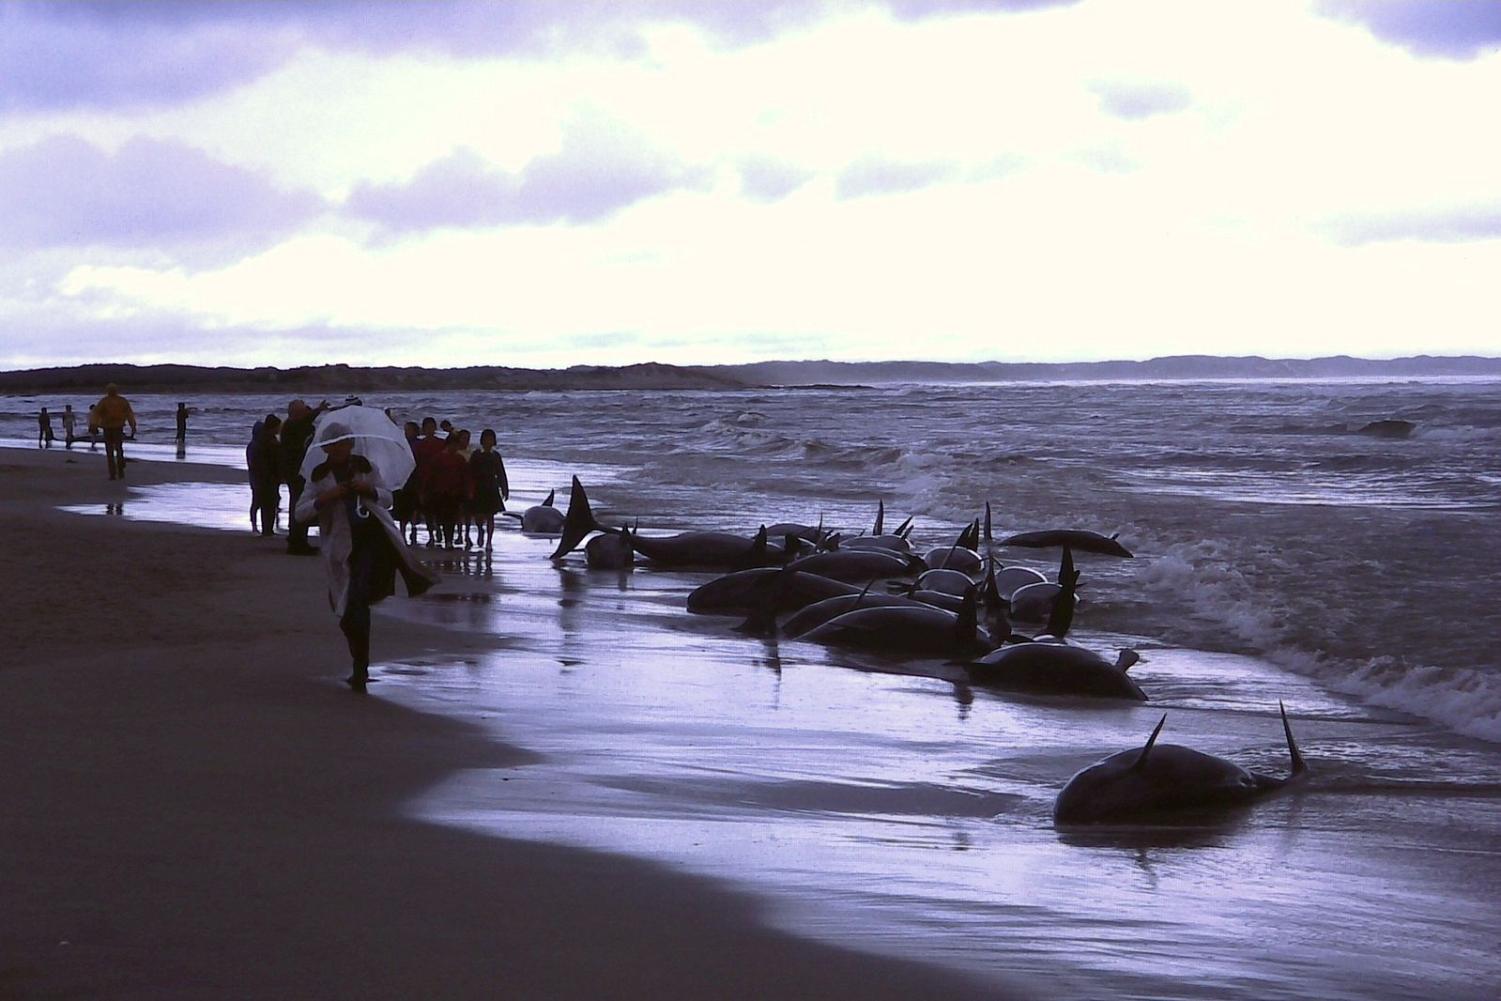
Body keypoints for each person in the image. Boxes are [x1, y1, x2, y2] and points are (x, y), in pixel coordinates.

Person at [295, 422, 436, 690]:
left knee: (358, 601)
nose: (339, 448)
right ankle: (357, 656)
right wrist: (327, 497)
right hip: (338, 547)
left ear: (351, 444)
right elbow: (300, 513)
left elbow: (387, 499)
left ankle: (361, 666)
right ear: (325, 448)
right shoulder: (319, 475)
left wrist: (367, 489)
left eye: (344, 443)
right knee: (344, 610)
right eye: (333, 445)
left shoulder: (365, 467)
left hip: (370, 542)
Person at [279, 399, 330, 555]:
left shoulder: (296, 424)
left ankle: (298, 539)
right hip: (295, 472)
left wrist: (319, 410)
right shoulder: (291, 426)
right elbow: (304, 423)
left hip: (299, 471)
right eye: (302, 411)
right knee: (299, 505)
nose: (306, 414)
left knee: (299, 503)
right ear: (295, 413)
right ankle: (297, 541)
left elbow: (306, 420)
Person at [424, 433, 472, 549]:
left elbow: (465, 476)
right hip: (439, 492)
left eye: (456, 445)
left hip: (454, 493)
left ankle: (448, 541)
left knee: (451, 518)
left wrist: (468, 491)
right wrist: (425, 490)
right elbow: (430, 476)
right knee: (440, 516)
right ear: (448, 445)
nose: (455, 448)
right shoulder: (438, 459)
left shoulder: (459, 459)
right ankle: (440, 535)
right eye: (453, 445)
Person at [468, 428, 509, 552]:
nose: (489, 441)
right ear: (482, 440)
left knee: (490, 516)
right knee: (478, 516)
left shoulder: (496, 456)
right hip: (478, 488)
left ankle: (489, 542)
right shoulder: (476, 454)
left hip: (491, 487)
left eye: (491, 439)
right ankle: (480, 530)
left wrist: (505, 489)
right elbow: (470, 472)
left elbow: (501, 473)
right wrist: (469, 489)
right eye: (486, 439)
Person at [410, 417, 446, 546]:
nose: (430, 430)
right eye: (427, 427)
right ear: (423, 429)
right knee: (428, 510)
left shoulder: (442, 443)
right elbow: (414, 463)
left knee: (440, 509)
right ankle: (431, 534)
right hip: (423, 480)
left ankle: (439, 529)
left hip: (439, 481)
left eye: (432, 427)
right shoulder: (419, 445)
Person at [89, 384, 137, 480]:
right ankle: (118, 470)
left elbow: (96, 413)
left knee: (111, 451)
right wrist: (133, 425)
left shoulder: (105, 401)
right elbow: (129, 414)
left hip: (111, 428)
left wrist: (94, 424)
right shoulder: (121, 401)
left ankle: (114, 472)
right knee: (117, 449)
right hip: (113, 428)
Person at [246, 414, 283, 535]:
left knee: (267, 503)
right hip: (263, 479)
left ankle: (265, 528)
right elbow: (259, 464)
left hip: (264, 478)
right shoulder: (262, 443)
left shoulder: (266, 442)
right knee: (262, 503)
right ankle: (261, 528)